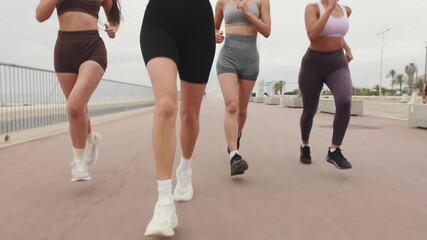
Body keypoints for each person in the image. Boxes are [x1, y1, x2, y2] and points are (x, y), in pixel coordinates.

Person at [139, 0, 215, 237]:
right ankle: (164, 203)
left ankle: (185, 169)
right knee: (165, 106)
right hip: (159, 21)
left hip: (199, 27)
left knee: (190, 115)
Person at [35, 0, 122, 181]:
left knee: (74, 107)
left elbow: (114, 17)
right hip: (64, 51)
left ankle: (78, 162)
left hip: (92, 49)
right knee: (78, 110)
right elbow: (40, 16)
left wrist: (113, 28)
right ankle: (91, 140)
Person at [214, 0, 271, 176]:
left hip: (250, 59)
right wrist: (215, 35)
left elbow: (267, 31)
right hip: (228, 56)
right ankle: (234, 155)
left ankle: (236, 137)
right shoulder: (222, 2)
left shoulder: (262, 1)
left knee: (242, 109)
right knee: (232, 105)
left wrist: (248, 13)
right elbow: (213, 28)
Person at [298, 0, 353, 169]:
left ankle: (334, 150)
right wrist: (328, 9)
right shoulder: (312, 8)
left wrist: (347, 49)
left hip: (337, 63)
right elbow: (313, 34)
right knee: (309, 110)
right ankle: (305, 145)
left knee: (345, 101)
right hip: (312, 65)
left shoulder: (346, 10)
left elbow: (337, 34)